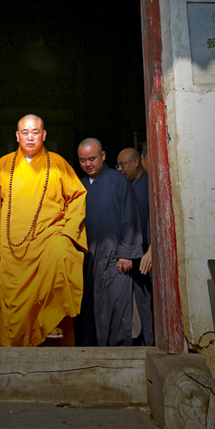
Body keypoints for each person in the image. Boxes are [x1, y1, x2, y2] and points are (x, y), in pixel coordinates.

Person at [0, 114, 87, 347]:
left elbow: (77, 196)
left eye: (35, 132)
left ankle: (51, 323)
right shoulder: (2, 167)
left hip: (48, 240)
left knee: (62, 253)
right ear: (17, 136)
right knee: (15, 312)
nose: (30, 137)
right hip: (13, 248)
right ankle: (14, 359)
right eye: (24, 132)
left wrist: (67, 233)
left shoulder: (57, 164)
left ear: (44, 135)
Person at [76, 138, 144, 346]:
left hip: (115, 259)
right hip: (87, 260)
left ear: (103, 156)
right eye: (82, 160)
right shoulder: (78, 185)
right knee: (89, 308)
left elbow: (129, 217)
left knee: (116, 308)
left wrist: (126, 253)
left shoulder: (118, 180)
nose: (88, 164)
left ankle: (119, 360)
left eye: (92, 159)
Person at [116, 144, 154, 345]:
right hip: (138, 256)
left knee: (147, 303)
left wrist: (152, 249)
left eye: (123, 164)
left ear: (137, 162)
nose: (120, 169)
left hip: (148, 256)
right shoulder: (128, 187)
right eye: (118, 165)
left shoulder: (149, 185)